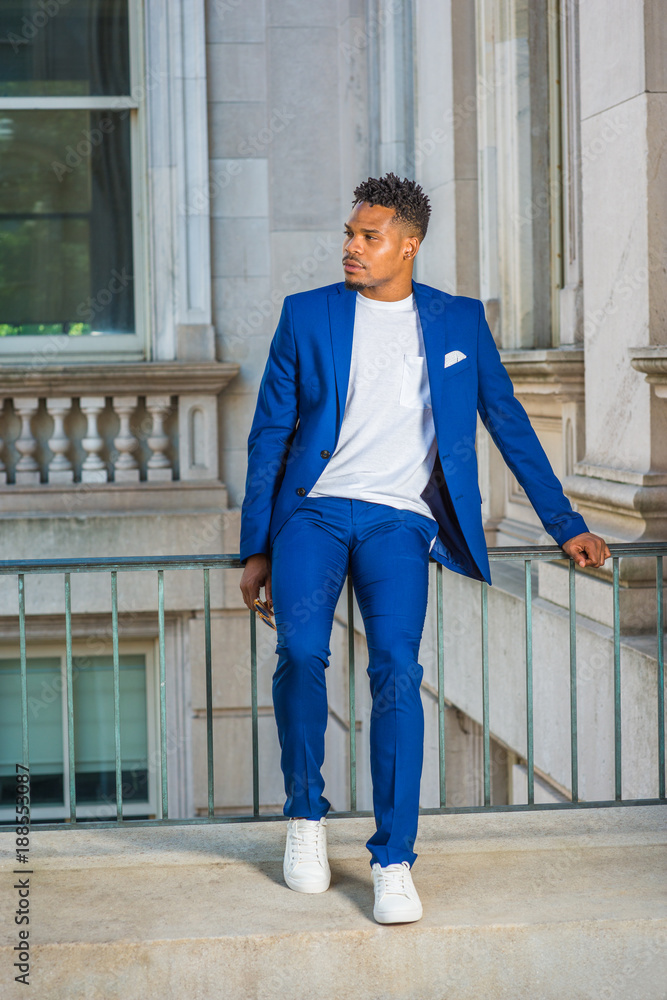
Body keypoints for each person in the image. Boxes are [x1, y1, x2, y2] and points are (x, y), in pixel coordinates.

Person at [239, 172, 609, 924]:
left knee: (396, 674)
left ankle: (393, 859)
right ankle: (305, 817)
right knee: (301, 654)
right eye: (348, 233)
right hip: (311, 515)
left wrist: (564, 521)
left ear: (406, 246)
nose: (350, 246)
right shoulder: (306, 316)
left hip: (399, 523)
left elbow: (508, 425)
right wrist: (255, 549)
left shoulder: (457, 322)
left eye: (367, 237)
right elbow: (269, 435)